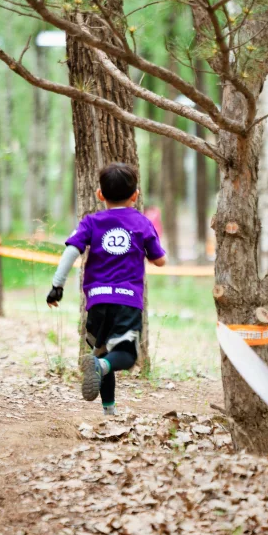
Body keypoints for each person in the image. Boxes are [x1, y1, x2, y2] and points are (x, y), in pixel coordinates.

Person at [46, 162, 166, 415]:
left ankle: (108, 413)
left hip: (97, 300)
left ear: (100, 194)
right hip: (127, 300)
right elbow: (159, 260)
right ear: (135, 195)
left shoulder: (91, 222)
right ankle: (100, 369)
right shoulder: (142, 223)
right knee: (123, 355)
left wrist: (57, 285)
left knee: (101, 351)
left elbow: (71, 250)